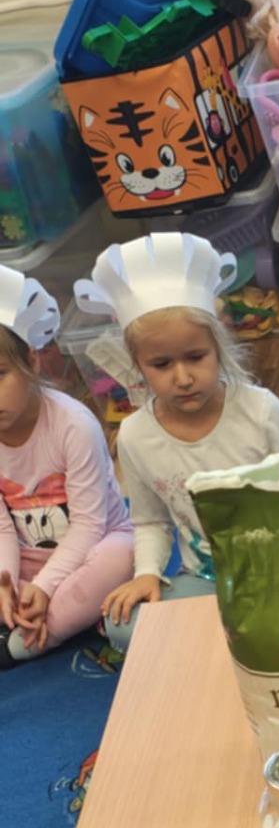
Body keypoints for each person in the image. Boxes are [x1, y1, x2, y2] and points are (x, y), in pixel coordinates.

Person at [73, 232, 279, 650]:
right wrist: (147, 573)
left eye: (195, 357)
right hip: (206, 580)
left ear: (218, 346)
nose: (182, 378)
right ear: (138, 365)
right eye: (161, 364)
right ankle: (231, 640)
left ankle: (233, 640)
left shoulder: (262, 410)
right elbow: (150, 521)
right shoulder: (135, 434)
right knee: (123, 625)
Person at [0, 263, 133, 668]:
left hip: (96, 546)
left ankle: (20, 643)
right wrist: (6, 582)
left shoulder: (73, 424)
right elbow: (2, 528)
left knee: (122, 557)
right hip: (27, 559)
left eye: (0, 374)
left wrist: (44, 587)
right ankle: (24, 620)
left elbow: (90, 525)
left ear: (32, 360)